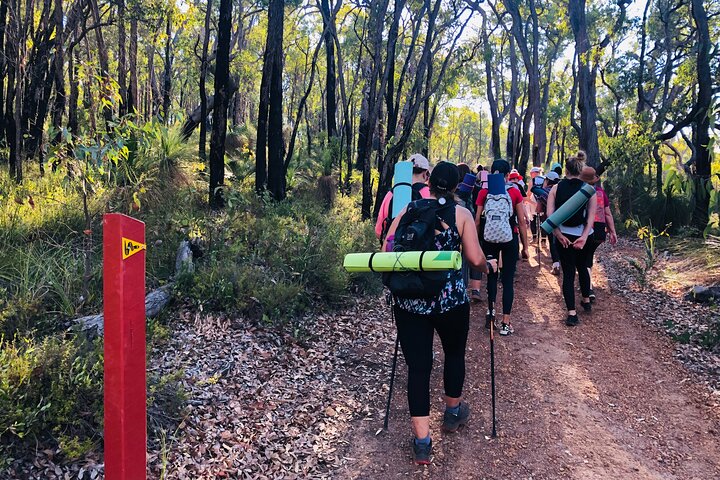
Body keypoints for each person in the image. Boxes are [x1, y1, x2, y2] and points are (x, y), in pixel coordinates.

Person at [382, 161, 495, 465]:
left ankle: (422, 443)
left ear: (429, 182)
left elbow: (386, 249)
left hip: (409, 303)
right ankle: (453, 412)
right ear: (457, 185)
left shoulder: (408, 210)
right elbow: (474, 257)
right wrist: (488, 266)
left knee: (418, 368)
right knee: (454, 355)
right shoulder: (461, 214)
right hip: (449, 302)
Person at [475, 159, 529, 336]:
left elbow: (476, 221)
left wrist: (475, 243)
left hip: (489, 239)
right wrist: (525, 246)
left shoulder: (484, 191)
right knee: (507, 281)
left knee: (491, 276)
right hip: (509, 238)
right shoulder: (514, 191)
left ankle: (491, 314)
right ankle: (506, 323)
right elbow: (521, 221)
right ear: (507, 175)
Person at [546, 156, 597, 326]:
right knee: (583, 267)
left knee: (568, 273)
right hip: (584, 235)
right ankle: (586, 300)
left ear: (566, 170)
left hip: (564, 235)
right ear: (580, 170)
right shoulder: (588, 189)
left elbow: (550, 216)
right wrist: (583, 237)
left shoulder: (555, 188)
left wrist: (558, 235)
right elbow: (591, 217)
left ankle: (572, 313)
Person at [580, 166, 618, 302]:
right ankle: (587, 285)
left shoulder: (579, 192)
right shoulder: (600, 192)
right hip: (600, 228)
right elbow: (607, 213)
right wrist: (612, 231)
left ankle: (588, 288)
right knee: (588, 256)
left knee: (584, 259)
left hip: (584, 228)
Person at [375, 153, 431, 241]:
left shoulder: (391, 194)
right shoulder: (430, 193)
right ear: (425, 174)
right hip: (421, 252)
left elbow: (379, 232)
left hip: (394, 249)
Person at [456, 166, 484, 301]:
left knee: (462, 259)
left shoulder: (453, 190)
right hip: (472, 225)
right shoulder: (476, 188)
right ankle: (476, 290)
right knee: (475, 254)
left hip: (457, 227)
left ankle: (461, 288)